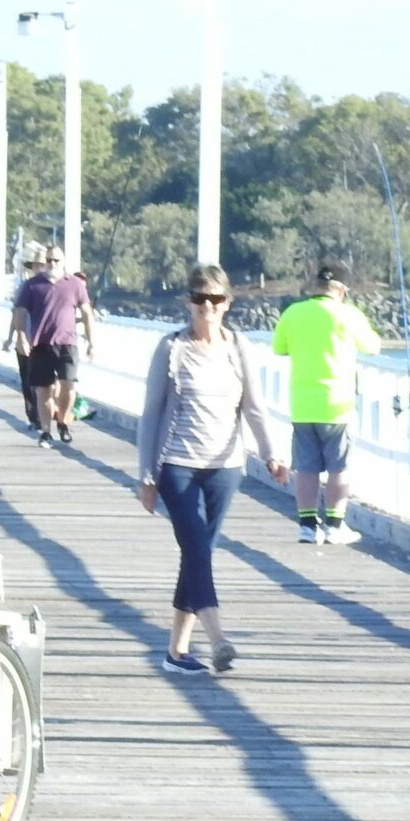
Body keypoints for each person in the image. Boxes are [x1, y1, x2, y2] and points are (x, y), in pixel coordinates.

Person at [136, 263, 287, 674]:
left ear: (227, 304)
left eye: (215, 300)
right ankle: (219, 639)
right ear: (189, 302)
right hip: (178, 465)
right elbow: (150, 415)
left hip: (225, 466)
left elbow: (254, 407)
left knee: (197, 556)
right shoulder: (171, 348)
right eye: (200, 299)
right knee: (198, 550)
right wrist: (146, 476)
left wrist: (271, 453)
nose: (207, 307)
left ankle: (176, 652)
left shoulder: (238, 348)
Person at [269, 265, 385, 545]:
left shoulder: (293, 313)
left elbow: (279, 348)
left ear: (315, 285)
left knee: (306, 468)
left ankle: (307, 527)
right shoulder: (349, 315)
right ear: (343, 290)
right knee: (338, 468)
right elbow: (373, 346)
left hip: (302, 403)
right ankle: (334, 525)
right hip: (338, 404)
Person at [14, 242, 96, 449]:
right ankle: (45, 431)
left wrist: (91, 341)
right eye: (48, 260)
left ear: (63, 262)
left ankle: (63, 422)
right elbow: (20, 313)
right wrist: (21, 337)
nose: (51, 264)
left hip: (67, 343)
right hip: (40, 343)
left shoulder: (75, 284)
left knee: (69, 385)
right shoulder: (32, 285)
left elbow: (87, 313)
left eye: (56, 260)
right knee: (43, 390)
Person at [5, 246, 48, 433]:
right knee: (28, 382)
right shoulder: (26, 286)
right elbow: (16, 314)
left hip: (45, 342)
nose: (41, 268)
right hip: (25, 340)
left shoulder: (55, 287)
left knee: (43, 383)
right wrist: (10, 338)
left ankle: (44, 417)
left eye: (43, 265)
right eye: (37, 265)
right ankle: (34, 418)